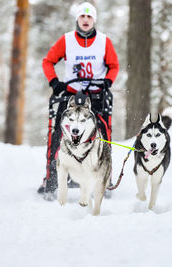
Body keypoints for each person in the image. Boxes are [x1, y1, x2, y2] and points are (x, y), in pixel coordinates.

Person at [38, 2, 119, 197]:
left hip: (97, 95)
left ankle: (103, 177)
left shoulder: (104, 41)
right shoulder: (66, 40)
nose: (85, 20)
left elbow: (114, 65)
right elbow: (48, 61)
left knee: (102, 136)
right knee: (58, 133)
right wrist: (54, 82)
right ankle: (53, 178)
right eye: (82, 17)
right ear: (77, 19)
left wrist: (108, 81)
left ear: (94, 20)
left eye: (89, 17)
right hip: (70, 94)